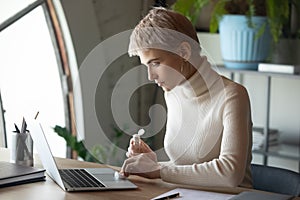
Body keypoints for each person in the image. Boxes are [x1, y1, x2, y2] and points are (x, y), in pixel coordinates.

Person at [120, 7, 253, 188]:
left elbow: (230, 174)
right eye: (146, 66)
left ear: (184, 52)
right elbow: (188, 169)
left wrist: (159, 170)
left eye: (156, 63)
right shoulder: (172, 93)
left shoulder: (232, 96)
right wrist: (153, 164)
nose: (151, 76)